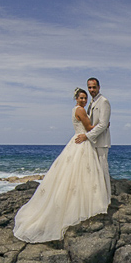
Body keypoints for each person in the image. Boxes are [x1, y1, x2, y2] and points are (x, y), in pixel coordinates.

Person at [13, 87, 111, 243]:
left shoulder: (76, 110)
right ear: (76, 99)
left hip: (79, 141)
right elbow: (90, 128)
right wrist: (105, 125)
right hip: (82, 143)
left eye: (85, 98)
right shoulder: (80, 110)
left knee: (75, 175)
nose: (84, 100)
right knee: (82, 174)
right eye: (81, 98)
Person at [74, 78, 111, 196]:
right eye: (89, 87)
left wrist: (87, 136)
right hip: (91, 143)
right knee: (94, 173)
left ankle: (107, 198)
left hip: (101, 142)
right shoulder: (90, 103)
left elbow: (103, 124)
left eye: (94, 87)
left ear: (99, 87)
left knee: (103, 171)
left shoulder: (103, 101)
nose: (92, 90)